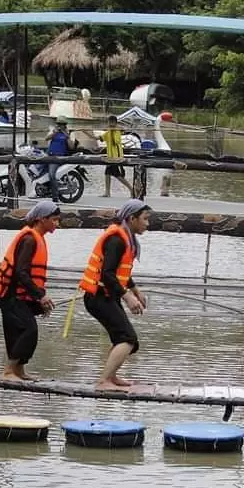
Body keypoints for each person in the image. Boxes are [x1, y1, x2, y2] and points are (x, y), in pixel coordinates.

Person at [79, 199, 150, 391]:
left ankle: (111, 377)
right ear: (132, 218)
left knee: (126, 339)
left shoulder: (125, 238)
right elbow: (107, 274)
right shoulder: (116, 239)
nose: (147, 223)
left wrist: (135, 290)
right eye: (144, 219)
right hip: (98, 297)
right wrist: (127, 297)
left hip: (107, 296)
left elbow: (121, 272)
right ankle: (104, 382)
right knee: (127, 338)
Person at [0, 200, 59, 381]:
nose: (56, 224)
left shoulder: (37, 238)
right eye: (54, 220)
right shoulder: (29, 239)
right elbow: (21, 272)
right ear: (41, 219)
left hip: (22, 297)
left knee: (19, 331)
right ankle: (8, 371)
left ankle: (19, 371)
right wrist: (40, 296)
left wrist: (37, 301)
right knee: (29, 330)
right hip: (12, 295)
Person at [102, 115, 134, 199]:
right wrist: (85, 132)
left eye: (112, 122)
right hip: (110, 157)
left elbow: (116, 141)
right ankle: (107, 192)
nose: (110, 124)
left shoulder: (117, 132)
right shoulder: (108, 132)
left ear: (115, 123)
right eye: (109, 122)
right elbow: (98, 138)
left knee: (118, 175)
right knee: (107, 173)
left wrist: (114, 130)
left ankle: (131, 189)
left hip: (116, 157)